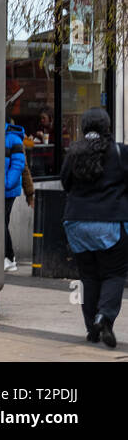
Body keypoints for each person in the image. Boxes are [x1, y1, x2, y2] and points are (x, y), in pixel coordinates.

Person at [59, 108, 128, 348]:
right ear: (107, 127)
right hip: (109, 224)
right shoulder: (119, 152)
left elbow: (65, 182)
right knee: (114, 273)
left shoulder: (73, 152)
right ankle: (104, 317)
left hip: (76, 223)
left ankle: (92, 330)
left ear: (84, 126)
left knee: (88, 277)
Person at [3, 119, 28, 272]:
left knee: (1, 223)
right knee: (2, 223)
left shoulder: (13, 138)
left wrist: (6, 183)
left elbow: (18, 164)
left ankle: (9, 258)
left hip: (7, 189)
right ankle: (8, 257)